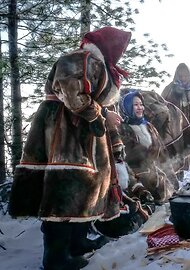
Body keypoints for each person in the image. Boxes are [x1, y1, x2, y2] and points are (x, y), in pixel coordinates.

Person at [8, 26, 131, 270]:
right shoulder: (79, 58)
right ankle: (55, 258)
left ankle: (77, 242)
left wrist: (103, 118)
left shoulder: (96, 64)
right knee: (64, 191)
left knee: (83, 190)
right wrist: (101, 115)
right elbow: (68, 88)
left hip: (81, 133)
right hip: (65, 132)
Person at [118, 90, 176, 204]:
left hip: (157, 178)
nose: (140, 107)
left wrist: (172, 177)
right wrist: (149, 156)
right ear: (127, 107)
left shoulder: (149, 126)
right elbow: (130, 153)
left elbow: (162, 153)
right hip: (136, 179)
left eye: (141, 104)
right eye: (135, 105)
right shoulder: (123, 129)